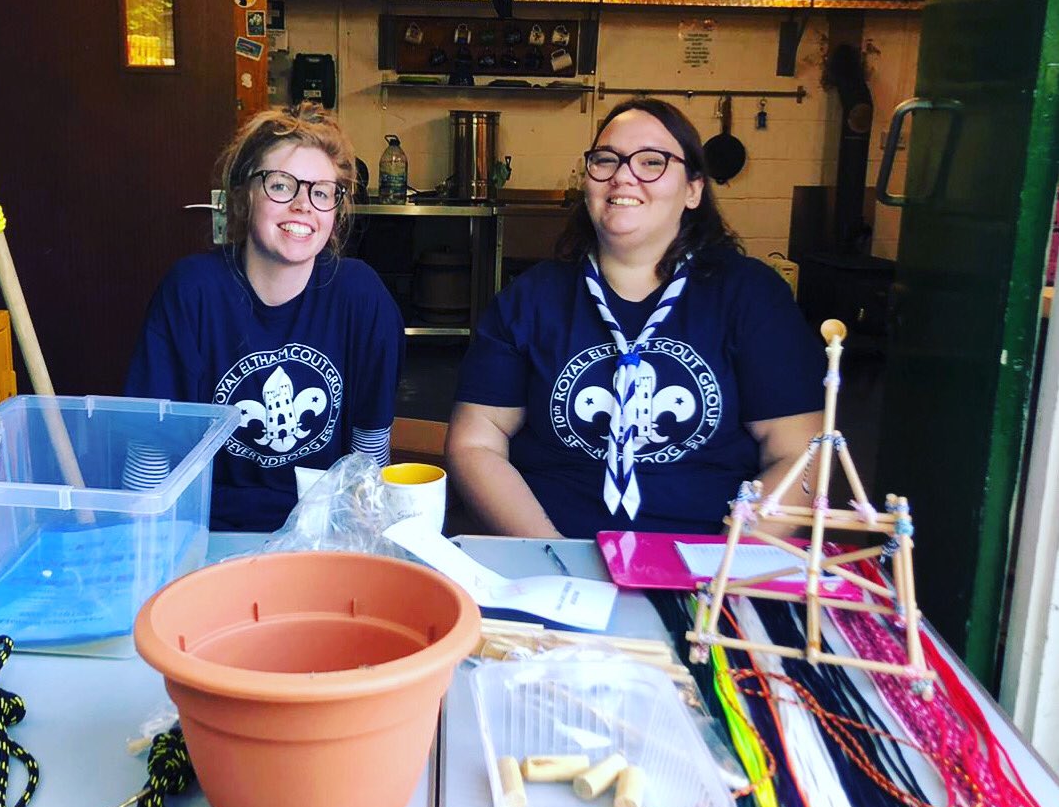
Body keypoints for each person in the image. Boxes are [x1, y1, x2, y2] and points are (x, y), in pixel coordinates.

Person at [446, 97, 825, 539]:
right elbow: (477, 440)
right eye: (606, 160)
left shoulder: (752, 297)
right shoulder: (529, 299)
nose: (623, 175)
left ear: (693, 190)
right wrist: (553, 555)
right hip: (553, 551)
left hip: (710, 556)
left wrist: (724, 565)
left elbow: (801, 453)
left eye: (652, 162)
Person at [126, 103, 404, 532]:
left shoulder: (362, 297)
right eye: (280, 185)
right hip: (206, 531)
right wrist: (144, 546)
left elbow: (369, 454)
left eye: (322, 192)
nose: (303, 205)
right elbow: (150, 450)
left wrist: (362, 540)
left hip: (320, 532)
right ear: (244, 196)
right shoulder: (192, 292)